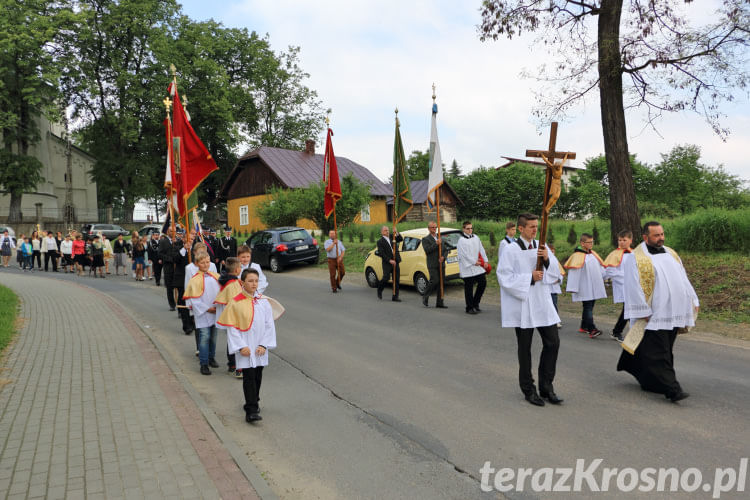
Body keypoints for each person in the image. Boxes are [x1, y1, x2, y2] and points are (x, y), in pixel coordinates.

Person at [617, 222, 698, 403]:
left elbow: (683, 277)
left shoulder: (671, 253)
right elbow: (632, 285)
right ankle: (672, 389)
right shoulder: (635, 258)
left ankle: (650, 381)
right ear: (645, 237)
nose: (661, 238)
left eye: (662, 234)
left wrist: (694, 299)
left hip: (674, 309)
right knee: (658, 352)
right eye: (656, 235)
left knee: (666, 348)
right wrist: (641, 309)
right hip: (654, 312)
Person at [497, 213, 563, 407]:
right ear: (521, 228)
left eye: (537, 226)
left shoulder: (542, 248)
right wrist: (529, 277)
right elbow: (504, 277)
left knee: (553, 343)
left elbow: (557, 275)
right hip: (523, 305)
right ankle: (528, 389)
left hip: (542, 302)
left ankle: (547, 387)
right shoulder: (510, 250)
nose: (535, 229)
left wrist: (548, 260)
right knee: (525, 349)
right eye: (531, 226)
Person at [219, 267, 278, 423]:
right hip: (245, 346)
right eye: (250, 281)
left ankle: (254, 399)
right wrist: (240, 346)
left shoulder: (263, 302)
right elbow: (232, 327)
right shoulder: (236, 302)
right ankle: (250, 410)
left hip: (260, 347)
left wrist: (264, 345)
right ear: (242, 282)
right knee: (249, 377)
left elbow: (269, 325)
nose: (254, 284)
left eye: (256, 281)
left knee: (258, 375)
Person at [184, 251, 221, 375]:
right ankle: (204, 363)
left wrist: (219, 306)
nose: (205, 265)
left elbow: (222, 292)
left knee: (214, 337)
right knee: (204, 338)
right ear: (197, 263)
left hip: (216, 311)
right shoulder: (195, 280)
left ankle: (211, 357)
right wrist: (207, 309)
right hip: (204, 313)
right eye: (202, 262)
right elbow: (194, 299)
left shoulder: (215, 276)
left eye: (207, 262)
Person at [564, 233, 606, 338]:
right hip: (584, 287)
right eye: (589, 242)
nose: (591, 244)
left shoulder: (593, 254)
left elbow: (600, 267)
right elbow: (574, 274)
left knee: (589, 306)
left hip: (594, 286)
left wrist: (605, 276)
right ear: (582, 243)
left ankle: (584, 326)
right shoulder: (576, 256)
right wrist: (573, 287)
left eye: (592, 242)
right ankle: (592, 329)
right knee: (588, 307)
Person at [160, 228, 193, 334]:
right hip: (182, 278)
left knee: (193, 303)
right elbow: (174, 258)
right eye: (188, 238)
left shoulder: (197, 247)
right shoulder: (176, 246)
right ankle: (186, 325)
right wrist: (184, 249)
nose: (190, 240)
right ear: (183, 238)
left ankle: (192, 323)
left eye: (192, 238)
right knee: (183, 302)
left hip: (194, 280)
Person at [214, 257, 243, 378]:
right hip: (234, 318)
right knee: (238, 341)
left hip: (229, 317)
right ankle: (238, 367)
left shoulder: (227, 281)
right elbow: (235, 303)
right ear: (237, 270)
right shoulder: (233, 285)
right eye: (240, 267)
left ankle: (231, 365)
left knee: (232, 340)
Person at [603, 230, 634, 342]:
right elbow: (610, 271)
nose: (621, 242)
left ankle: (618, 331)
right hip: (622, 285)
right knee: (629, 308)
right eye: (619, 240)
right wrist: (625, 278)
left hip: (634, 286)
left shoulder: (634, 253)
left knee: (629, 308)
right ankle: (620, 331)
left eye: (624, 240)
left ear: (630, 240)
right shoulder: (614, 254)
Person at [457, 220, 490, 314]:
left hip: (477, 266)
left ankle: (476, 303)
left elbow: (481, 249)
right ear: (463, 229)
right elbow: (464, 255)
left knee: (482, 283)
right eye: (468, 229)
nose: (470, 230)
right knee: (469, 288)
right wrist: (474, 262)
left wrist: (486, 260)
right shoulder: (461, 241)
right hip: (467, 267)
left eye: (471, 228)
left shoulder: (476, 237)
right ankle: (469, 307)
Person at [421, 221, 449, 308]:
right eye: (432, 227)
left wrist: (443, 257)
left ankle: (440, 302)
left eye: (435, 227)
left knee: (441, 283)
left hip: (441, 264)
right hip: (432, 264)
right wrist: (436, 244)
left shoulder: (440, 238)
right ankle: (425, 295)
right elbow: (427, 250)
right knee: (435, 280)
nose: (434, 229)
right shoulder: (425, 239)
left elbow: (445, 250)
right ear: (429, 229)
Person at [376, 226, 403, 301]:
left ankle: (395, 296)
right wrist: (389, 260)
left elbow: (400, 239)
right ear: (382, 232)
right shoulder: (380, 242)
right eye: (385, 230)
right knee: (386, 277)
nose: (387, 232)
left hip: (396, 260)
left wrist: (396, 232)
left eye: (387, 230)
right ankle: (380, 289)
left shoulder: (392, 237)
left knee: (396, 279)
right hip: (387, 262)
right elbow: (381, 253)